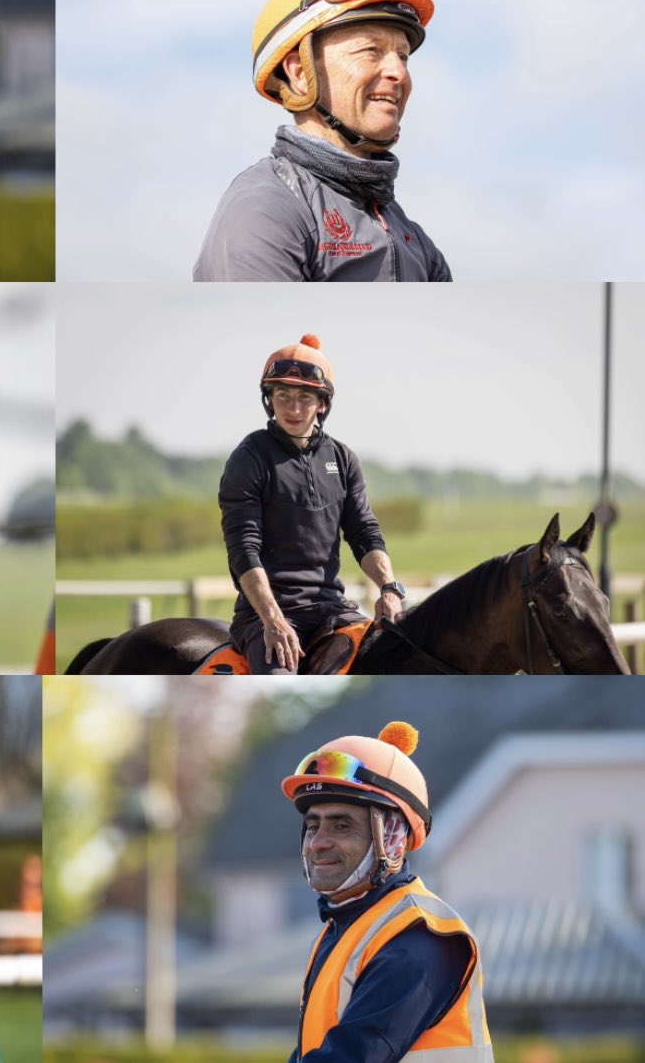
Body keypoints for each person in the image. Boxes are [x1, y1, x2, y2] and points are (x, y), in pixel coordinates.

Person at [195, 0, 449, 281]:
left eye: (402, 56)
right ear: (300, 74)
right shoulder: (264, 209)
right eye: (371, 50)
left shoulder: (412, 238)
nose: (398, 72)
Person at [280, 721, 492, 1062]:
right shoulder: (345, 928)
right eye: (313, 825)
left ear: (392, 836)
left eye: (341, 825)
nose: (318, 842)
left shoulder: (419, 939)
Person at [219, 334, 405, 674]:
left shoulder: (342, 457)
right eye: (283, 396)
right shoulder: (248, 458)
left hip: (332, 608)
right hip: (267, 613)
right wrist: (273, 619)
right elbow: (243, 548)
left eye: (305, 398)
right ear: (269, 399)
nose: (293, 408)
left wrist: (389, 589)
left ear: (322, 403)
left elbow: (363, 530)